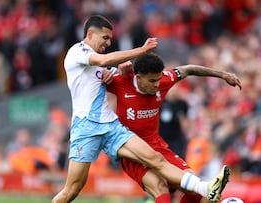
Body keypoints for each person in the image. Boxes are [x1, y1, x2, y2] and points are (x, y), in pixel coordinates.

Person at [52, 15, 229, 203]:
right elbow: (103, 61)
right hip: (86, 127)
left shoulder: (102, 66)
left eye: (110, 38)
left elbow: (114, 72)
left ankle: (206, 187)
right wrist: (141, 50)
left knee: (156, 159)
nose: (109, 42)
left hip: (111, 126)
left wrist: (124, 70)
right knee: (72, 189)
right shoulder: (77, 52)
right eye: (105, 38)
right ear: (90, 34)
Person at [106, 53, 242, 203]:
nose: (157, 84)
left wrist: (223, 75)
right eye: (152, 81)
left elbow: (189, 69)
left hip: (157, 146)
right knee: (160, 186)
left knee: (191, 183)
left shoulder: (165, 79)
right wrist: (112, 68)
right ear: (138, 77)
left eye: (158, 79)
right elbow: (89, 74)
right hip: (131, 150)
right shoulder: (121, 82)